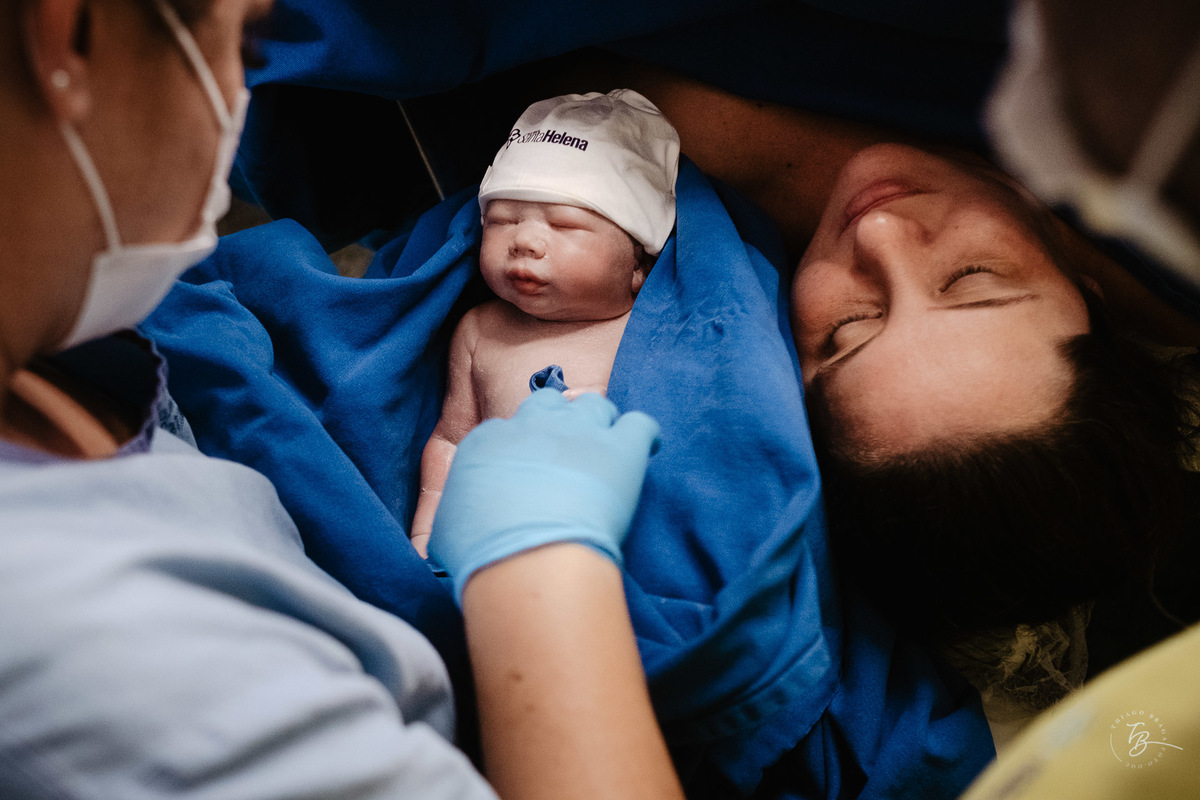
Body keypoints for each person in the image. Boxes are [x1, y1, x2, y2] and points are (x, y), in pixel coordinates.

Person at [0, 1, 684, 797]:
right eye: (243, 44)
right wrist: (537, 567)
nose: (241, 101)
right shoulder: (86, 642)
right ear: (68, 29)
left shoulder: (79, 343)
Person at [409, 89, 679, 556]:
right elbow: (452, 440)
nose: (525, 241)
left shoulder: (652, 328)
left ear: (639, 265)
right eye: (502, 220)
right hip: (489, 539)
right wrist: (426, 531)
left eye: (564, 224)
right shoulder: (480, 330)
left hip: (611, 540)